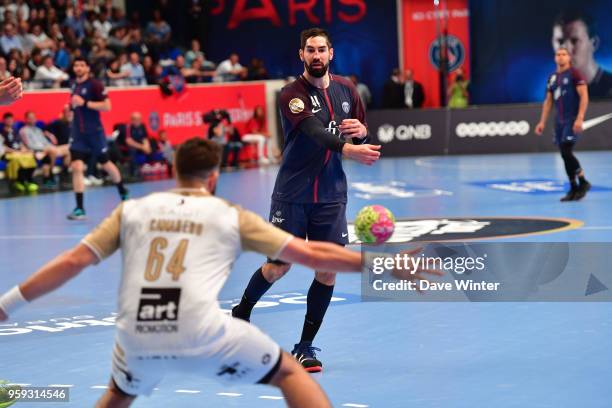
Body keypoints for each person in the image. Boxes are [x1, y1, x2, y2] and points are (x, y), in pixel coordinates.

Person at [0, 137, 433, 408]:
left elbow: (73, 262)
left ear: (173, 171)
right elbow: (313, 254)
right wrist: (385, 263)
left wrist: (6, 306)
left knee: (118, 394)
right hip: (199, 331)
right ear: (213, 178)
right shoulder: (227, 214)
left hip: (137, 332)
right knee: (288, 372)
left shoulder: (132, 210)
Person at [231, 27, 381, 372]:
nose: (316, 56)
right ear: (301, 55)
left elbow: (361, 132)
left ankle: (305, 346)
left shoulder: (348, 91)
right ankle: (241, 312)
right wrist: (348, 148)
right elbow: (314, 132)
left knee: (327, 271)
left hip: (331, 196)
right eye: (310, 50)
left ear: (331, 54)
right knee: (278, 267)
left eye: (321, 50)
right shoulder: (291, 94)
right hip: (293, 195)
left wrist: (363, 134)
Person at [67, 57, 128, 220]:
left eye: (81, 65)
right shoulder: (73, 84)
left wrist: (85, 103)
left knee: (105, 163)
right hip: (78, 133)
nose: (78, 68)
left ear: (87, 68)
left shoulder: (95, 85)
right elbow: (74, 105)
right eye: (76, 65)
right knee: (77, 167)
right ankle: (80, 208)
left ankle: (123, 191)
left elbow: (107, 107)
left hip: (94, 132)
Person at [535, 47, 590, 201]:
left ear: (569, 57)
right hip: (558, 122)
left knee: (566, 150)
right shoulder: (552, 77)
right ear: (555, 58)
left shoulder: (575, 74)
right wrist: (542, 122)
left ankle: (583, 181)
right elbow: (548, 101)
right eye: (558, 54)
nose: (560, 57)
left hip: (571, 119)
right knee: (564, 155)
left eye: (563, 54)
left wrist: (580, 118)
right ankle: (573, 188)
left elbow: (584, 96)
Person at [552, 9, 612, 99]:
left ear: (594, 43)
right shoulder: (556, 90)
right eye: (560, 41)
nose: (565, 49)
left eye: (574, 41)